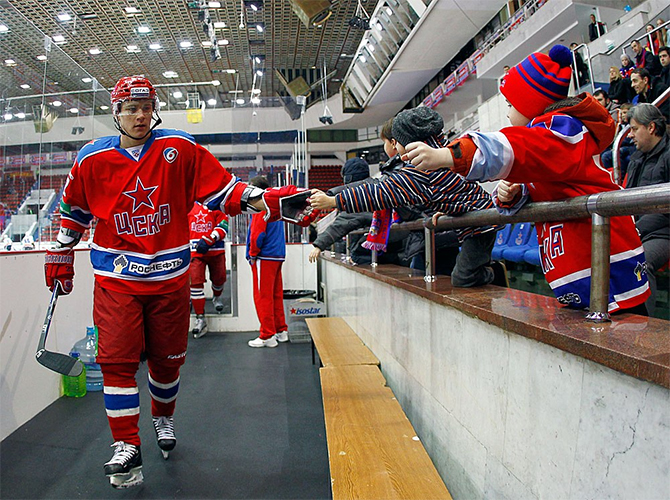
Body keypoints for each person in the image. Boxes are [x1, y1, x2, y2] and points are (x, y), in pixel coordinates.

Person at [42, 75, 312, 489]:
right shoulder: (91, 159)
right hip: (115, 277)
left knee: (168, 363)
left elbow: (223, 191)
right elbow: (74, 212)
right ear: (115, 112)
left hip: (169, 277)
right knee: (116, 362)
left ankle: (163, 419)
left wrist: (266, 200)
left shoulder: (180, 148)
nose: (140, 116)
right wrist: (61, 252)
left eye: (147, 107)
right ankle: (126, 446)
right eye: (131, 108)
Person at [402, 45, 650, 314]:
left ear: (531, 104)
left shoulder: (563, 132)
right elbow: (543, 179)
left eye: (511, 105)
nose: (508, 113)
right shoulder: (547, 144)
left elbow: (519, 149)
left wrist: (449, 156)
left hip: (609, 271)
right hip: (582, 276)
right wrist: (514, 191)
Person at [310, 106, 506, 289]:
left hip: (481, 223)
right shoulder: (440, 151)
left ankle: (495, 273)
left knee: (464, 278)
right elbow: (452, 189)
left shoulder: (422, 169)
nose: (394, 145)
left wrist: (334, 201)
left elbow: (379, 193)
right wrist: (448, 210)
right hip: (467, 218)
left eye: (397, 140)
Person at [624, 104, 669, 316]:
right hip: (639, 230)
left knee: (642, 260)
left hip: (664, 232)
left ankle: (644, 326)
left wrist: (637, 230)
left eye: (634, 129)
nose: (630, 135)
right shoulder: (636, 159)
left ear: (651, 128)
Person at [246, 176, 288, 348]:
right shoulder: (275, 204)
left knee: (262, 297)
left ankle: (267, 335)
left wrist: (252, 253)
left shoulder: (260, 206)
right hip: (277, 254)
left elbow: (257, 234)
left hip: (264, 257)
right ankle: (280, 331)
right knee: (275, 295)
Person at [188, 201, 229, 339]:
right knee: (195, 283)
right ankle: (200, 318)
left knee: (220, 279)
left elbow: (224, 225)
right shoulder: (188, 204)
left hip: (216, 250)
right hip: (195, 252)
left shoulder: (216, 203)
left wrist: (210, 239)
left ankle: (216, 297)